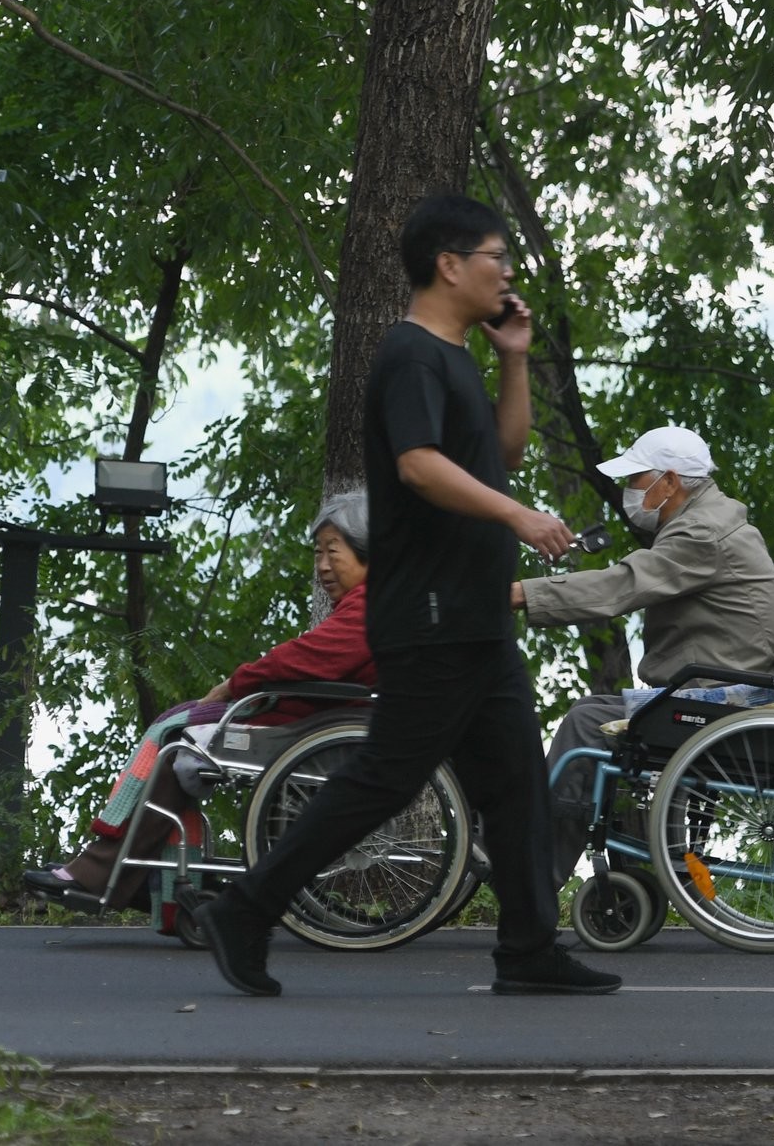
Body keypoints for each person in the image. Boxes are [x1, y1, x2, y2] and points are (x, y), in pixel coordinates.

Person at [194, 194, 620, 998]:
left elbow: (502, 452)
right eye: (496, 257)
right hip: (430, 613)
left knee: (517, 782)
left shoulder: (455, 356)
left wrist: (514, 359)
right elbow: (418, 466)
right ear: (449, 265)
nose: (507, 273)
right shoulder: (411, 356)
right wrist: (520, 518)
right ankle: (245, 907)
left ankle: (528, 947)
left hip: (474, 614)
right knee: (388, 776)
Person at [22, 492, 376, 908]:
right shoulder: (366, 605)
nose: (322, 566)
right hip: (316, 726)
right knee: (180, 738)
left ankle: (108, 874)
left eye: (333, 551)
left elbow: (303, 659)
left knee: (176, 744)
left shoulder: (369, 606)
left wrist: (234, 685)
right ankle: (139, 875)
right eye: (318, 553)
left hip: (313, 733)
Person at [513, 425, 774, 888]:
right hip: (728, 686)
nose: (629, 491)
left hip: (722, 697)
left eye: (635, 479)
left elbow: (619, 587)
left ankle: (533, 877)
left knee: (586, 723)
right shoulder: (713, 520)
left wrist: (523, 594)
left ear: (670, 481)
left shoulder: (701, 531)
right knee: (595, 713)